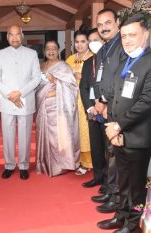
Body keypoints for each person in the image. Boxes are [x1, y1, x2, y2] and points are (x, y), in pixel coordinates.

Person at [97, 14, 151, 233]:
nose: (127, 40)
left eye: (132, 35)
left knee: (136, 185)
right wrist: (111, 124)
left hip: (138, 136)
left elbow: (147, 103)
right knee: (122, 180)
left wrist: (118, 126)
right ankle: (121, 215)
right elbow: (116, 97)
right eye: (124, 35)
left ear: (145, 34)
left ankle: (133, 223)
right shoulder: (124, 61)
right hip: (118, 134)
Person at [0, 25, 41, 180]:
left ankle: (24, 165)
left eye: (17, 34)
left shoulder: (32, 54)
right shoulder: (0, 54)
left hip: (25, 99)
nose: (14, 38)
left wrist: (19, 93)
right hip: (7, 102)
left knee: (25, 134)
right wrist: (9, 94)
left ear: (22, 35)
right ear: (7, 37)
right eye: (11, 35)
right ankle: (9, 165)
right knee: (7, 134)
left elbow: (36, 78)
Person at [91, 8, 127, 214]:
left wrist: (106, 103)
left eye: (107, 23)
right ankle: (110, 190)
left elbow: (119, 79)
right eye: (100, 25)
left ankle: (116, 197)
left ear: (117, 22)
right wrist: (98, 100)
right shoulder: (104, 49)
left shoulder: (122, 46)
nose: (103, 28)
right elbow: (99, 77)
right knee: (110, 151)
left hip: (116, 107)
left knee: (116, 153)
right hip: (104, 106)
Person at [35, 40, 80, 177]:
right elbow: (36, 87)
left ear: (58, 50)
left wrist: (56, 81)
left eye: (54, 48)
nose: (51, 51)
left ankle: (60, 165)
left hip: (57, 107)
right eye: (48, 48)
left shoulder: (63, 66)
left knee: (57, 137)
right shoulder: (40, 66)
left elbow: (72, 87)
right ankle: (46, 163)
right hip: (42, 107)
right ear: (44, 51)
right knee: (46, 137)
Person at [80, 29, 107, 188]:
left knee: (109, 150)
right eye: (90, 41)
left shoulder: (112, 59)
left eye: (96, 39)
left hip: (107, 110)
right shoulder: (88, 62)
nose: (92, 43)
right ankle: (98, 176)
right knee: (96, 147)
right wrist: (90, 107)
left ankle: (109, 182)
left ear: (103, 40)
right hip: (93, 112)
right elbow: (83, 87)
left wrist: (103, 104)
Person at [66, 25, 93, 176]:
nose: (79, 45)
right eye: (77, 42)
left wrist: (84, 78)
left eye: (83, 41)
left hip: (87, 100)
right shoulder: (70, 59)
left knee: (86, 131)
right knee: (74, 130)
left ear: (88, 42)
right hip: (71, 100)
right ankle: (77, 159)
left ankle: (88, 162)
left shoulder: (92, 58)